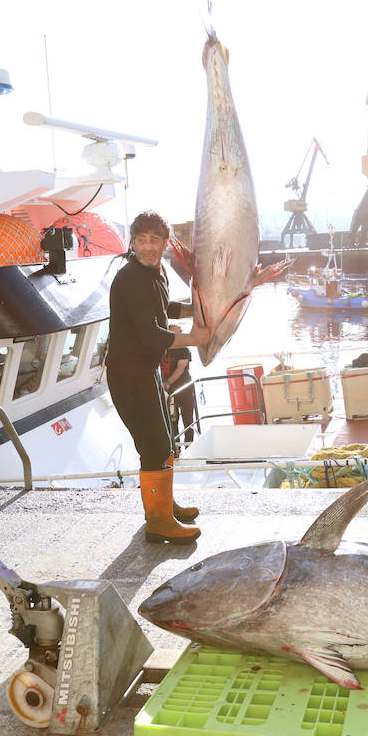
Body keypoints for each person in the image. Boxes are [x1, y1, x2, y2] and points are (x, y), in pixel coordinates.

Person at [106, 211, 210, 543]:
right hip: (129, 375)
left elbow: (163, 308)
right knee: (153, 446)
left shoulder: (155, 274)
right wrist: (193, 339)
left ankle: (165, 505)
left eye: (155, 240)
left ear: (165, 244)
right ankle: (158, 523)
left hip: (145, 371)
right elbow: (151, 334)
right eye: (142, 240)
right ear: (133, 243)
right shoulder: (131, 278)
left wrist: (195, 310)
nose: (149, 247)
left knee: (163, 441)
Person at [161, 343, 198, 449]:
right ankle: (175, 447)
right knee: (172, 420)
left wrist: (168, 382)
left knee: (188, 418)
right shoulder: (162, 349)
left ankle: (189, 446)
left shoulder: (184, 350)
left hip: (184, 389)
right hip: (170, 392)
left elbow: (181, 368)